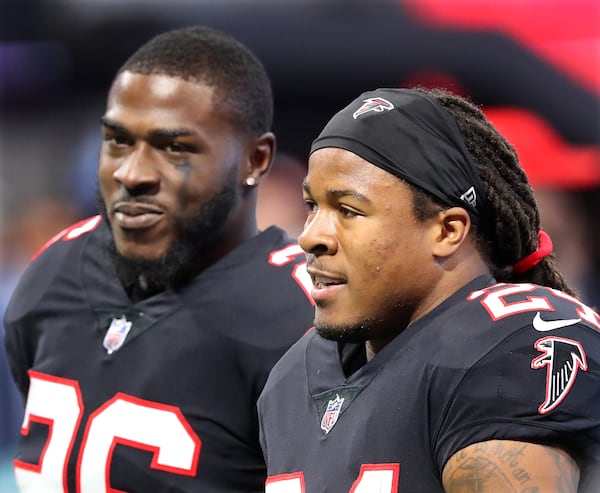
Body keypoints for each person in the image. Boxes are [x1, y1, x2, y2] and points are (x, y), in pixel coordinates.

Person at [4, 25, 314, 492]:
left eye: (175, 148)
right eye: (118, 141)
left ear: (255, 160)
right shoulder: (57, 266)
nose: (132, 173)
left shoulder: (304, 321)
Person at [258, 88, 600, 492]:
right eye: (312, 206)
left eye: (348, 210)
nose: (310, 236)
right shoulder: (295, 372)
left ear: (446, 230)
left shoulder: (511, 348)